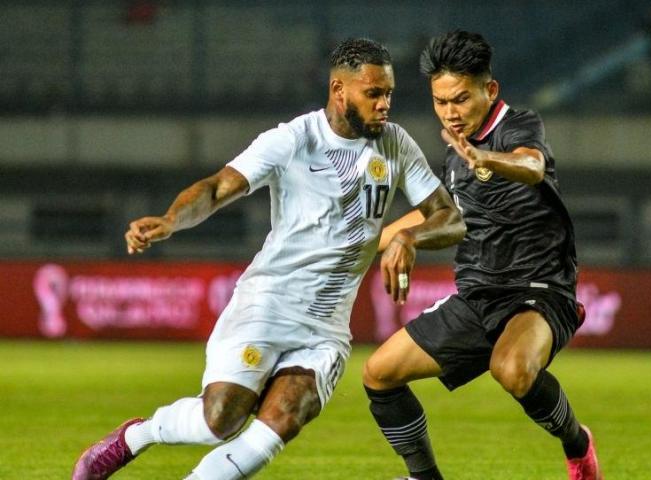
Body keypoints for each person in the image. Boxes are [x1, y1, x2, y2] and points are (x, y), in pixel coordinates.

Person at [72, 37, 465, 480]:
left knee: (283, 419)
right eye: (373, 93)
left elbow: (450, 218)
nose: (384, 104)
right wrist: (170, 220)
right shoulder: (294, 139)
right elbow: (219, 187)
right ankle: (135, 437)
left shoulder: (395, 144)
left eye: (388, 93)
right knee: (219, 420)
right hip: (268, 303)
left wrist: (409, 237)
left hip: (326, 325)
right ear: (339, 90)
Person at [362, 30, 602, 480]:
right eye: (440, 102)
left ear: (489, 90)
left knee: (510, 370)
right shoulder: (455, 157)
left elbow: (532, 166)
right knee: (379, 373)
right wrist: (348, 247)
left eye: (460, 100)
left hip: (540, 290)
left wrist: (487, 158)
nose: (450, 114)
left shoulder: (517, 126)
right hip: (478, 295)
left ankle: (578, 444)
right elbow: (434, 217)